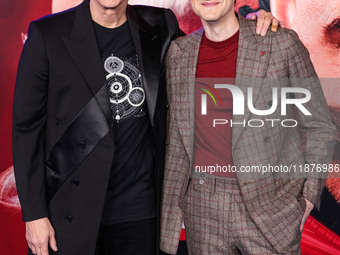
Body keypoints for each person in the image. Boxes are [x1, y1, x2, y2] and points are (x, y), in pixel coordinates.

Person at [12, 0, 281, 254]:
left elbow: (204, 52)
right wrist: (35, 214)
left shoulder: (159, 24)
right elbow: (27, 129)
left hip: (142, 214)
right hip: (70, 213)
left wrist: (248, 23)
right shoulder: (48, 35)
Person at [160, 0, 336, 254]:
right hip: (203, 212)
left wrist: (306, 199)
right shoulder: (179, 53)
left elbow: (319, 126)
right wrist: (169, 228)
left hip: (270, 209)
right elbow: (178, 144)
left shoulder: (280, 42)